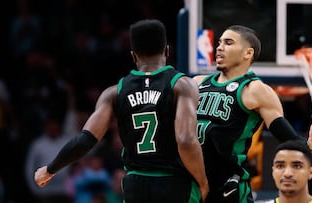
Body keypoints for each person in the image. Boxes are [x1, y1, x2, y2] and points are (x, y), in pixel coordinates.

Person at [34, 19, 209, 203]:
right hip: (174, 183)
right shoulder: (181, 85)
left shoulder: (114, 92)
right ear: (166, 50)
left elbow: (85, 139)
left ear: (133, 55)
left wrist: (49, 169)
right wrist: (203, 181)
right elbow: (186, 140)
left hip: (136, 185)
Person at [193, 24, 312, 203]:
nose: (219, 47)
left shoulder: (256, 90)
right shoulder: (196, 83)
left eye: (228, 43)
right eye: (219, 42)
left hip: (226, 185)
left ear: (247, 53)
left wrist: (309, 144)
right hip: (188, 180)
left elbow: (288, 139)